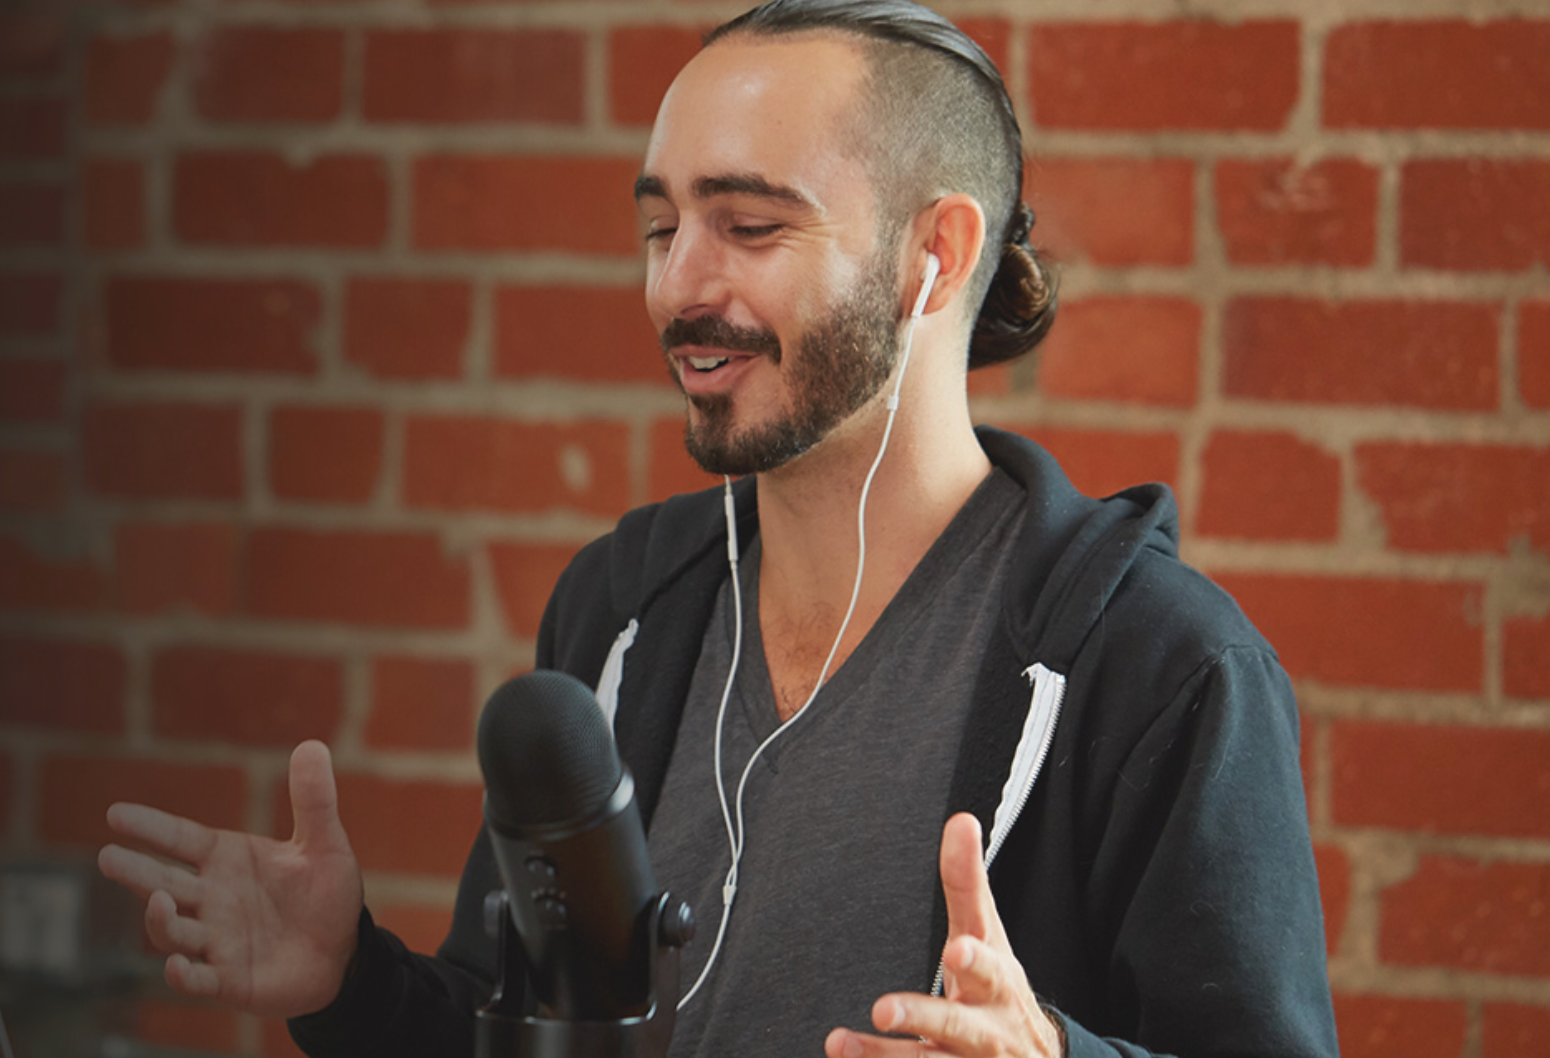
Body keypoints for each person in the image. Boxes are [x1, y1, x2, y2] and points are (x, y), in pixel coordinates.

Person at [98, 2, 1340, 1056]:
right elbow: (513, 1025)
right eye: (660, 226)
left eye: (748, 226)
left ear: (934, 253)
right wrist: (349, 983)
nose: (677, 284)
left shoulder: (1163, 669)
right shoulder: (619, 608)